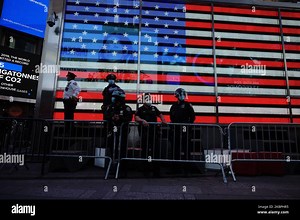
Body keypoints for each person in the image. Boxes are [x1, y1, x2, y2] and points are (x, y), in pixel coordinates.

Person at [135, 93, 167, 177]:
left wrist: (163, 120)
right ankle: (145, 170)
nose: (149, 100)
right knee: (145, 151)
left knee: (155, 151)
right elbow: (136, 117)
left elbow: (160, 114)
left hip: (154, 133)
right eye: (147, 98)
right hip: (145, 133)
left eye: (149, 98)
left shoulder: (154, 108)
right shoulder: (141, 109)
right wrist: (142, 120)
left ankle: (156, 170)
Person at [104, 88, 133, 161]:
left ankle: (122, 163)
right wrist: (112, 117)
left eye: (115, 97)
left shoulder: (126, 108)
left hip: (123, 130)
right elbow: (106, 116)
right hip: (113, 129)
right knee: (112, 145)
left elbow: (129, 118)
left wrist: (120, 118)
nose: (113, 98)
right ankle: (113, 161)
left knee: (123, 146)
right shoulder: (110, 107)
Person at [170, 88, 195, 160]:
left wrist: (188, 125)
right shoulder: (174, 106)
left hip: (185, 127)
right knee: (175, 146)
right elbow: (172, 117)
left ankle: (187, 164)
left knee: (186, 146)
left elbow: (192, 117)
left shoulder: (187, 105)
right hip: (176, 128)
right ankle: (176, 164)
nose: (182, 96)